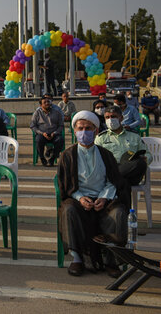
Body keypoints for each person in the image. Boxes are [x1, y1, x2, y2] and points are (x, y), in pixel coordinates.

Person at [57, 111, 129, 277]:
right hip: (78, 199)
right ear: (75, 131)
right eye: (80, 128)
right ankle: (77, 259)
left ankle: (113, 260)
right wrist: (80, 198)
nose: (84, 132)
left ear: (96, 131)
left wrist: (104, 197)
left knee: (118, 213)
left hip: (104, 200)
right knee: (68, 210)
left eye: (88, 128)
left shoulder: (106, 154)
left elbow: (113, 181)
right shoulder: (67, 156)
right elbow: (67, 185)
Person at [96, 106, 152, 187]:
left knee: (140, 163)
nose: (110, 120)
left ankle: (115, 179)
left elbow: (148, 154)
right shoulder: (100, 138)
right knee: (124, 183)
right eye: (107, 117)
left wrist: (145, 158)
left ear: (121, 118)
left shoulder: (134, 136)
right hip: (111, 170)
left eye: (113, 116)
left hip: (131, 171)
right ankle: (117, 180)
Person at [30, 96, 65, 167]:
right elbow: (33, 126)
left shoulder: (56, 112)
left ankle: (52, 159)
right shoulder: (37, 113)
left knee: (60, 140)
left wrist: (55, 133)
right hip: (42, 134)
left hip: (54, 134)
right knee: (38, 140)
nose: (47, 103)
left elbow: (61, 125)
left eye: (48, 102)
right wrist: (42, 133)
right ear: (41, 105)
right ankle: (42, 159)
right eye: (44, 102)